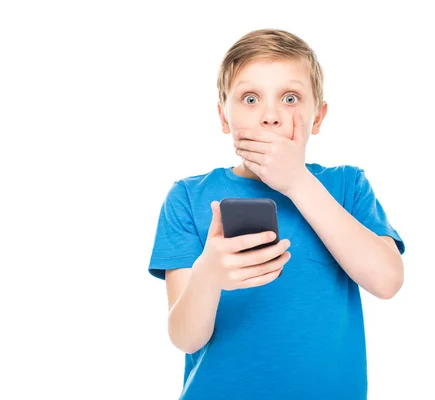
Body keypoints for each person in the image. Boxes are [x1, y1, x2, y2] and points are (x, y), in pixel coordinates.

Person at [147, 28, 405, 400]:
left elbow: (387, 281)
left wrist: (297, 182)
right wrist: (209, 274)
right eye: (250, 98)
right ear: (224, 117)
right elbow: (186, 338)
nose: (270, 115)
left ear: (318, 117)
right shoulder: (188, 196)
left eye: (290, 97)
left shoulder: (347, 185)